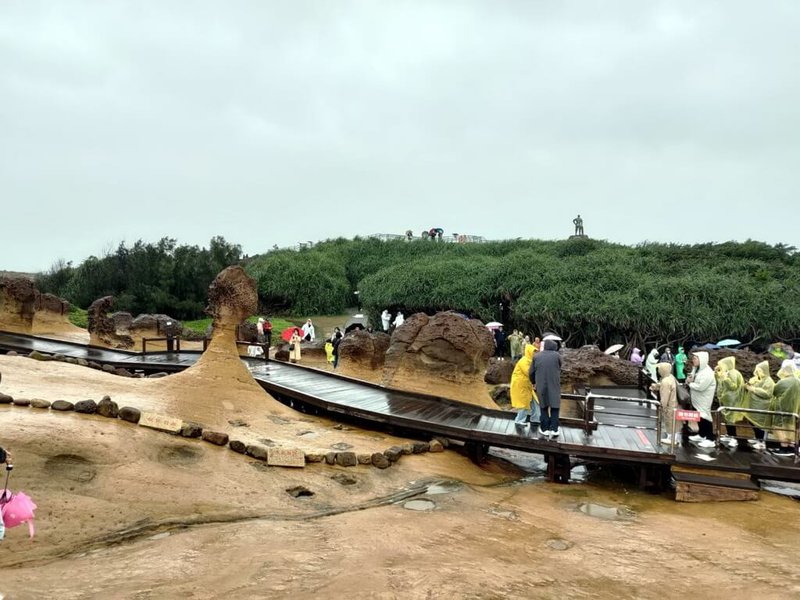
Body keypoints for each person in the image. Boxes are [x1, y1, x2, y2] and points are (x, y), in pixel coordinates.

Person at [529, 339, 562, 437]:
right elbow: (560, 367)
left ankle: (545, 429)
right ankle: (554, 429)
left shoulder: (536, 356)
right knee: (555, 407)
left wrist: (533, 382)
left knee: (543, 407)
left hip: (541, 386)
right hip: (554, 385)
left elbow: (531, 372)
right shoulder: (557, 356)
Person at [742, 361, 775, 451]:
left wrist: (754, 389)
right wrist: (748, 385)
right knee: (752, 422)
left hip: (762, 406)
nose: (757, 372)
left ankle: (761, 442)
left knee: (760, 425)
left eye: (760, 370)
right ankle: (757, 438)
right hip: (753, 405)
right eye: (757, 370)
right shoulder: (757, 379)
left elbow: (767, 394)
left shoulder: (769, 381)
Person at [686, 351, 717, 447]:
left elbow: (700, 387)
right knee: (699, 416)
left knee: (705, 417)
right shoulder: (697, 369)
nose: (693, 360)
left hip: (704, 399)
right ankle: (702, 434)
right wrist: (690, 378)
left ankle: (710, 439)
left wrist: (690, 384)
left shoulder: (708, 372)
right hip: (697, 399)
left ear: (702, 360)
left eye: (695, 358)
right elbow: (691, 379)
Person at [714, 357, 745, 449]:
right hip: (726, 399)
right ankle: (729, 434)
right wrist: (717, 374)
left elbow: (733, 386)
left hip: (732, 399)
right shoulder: (727, 372)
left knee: (731, 419)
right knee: (727, 418)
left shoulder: (733, 373)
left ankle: (734, 437)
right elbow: (720, 382)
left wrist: (725, 379)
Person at [770, 361, 800, 454]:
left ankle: (784, 447)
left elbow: (774, 391)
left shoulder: (783, 381)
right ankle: (791, 447)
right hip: (795, 408)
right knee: (791, 427)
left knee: (778, 427)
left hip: (782, 407)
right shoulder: (798, 381)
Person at [511, 343, 540, 427]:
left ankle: (535, 419)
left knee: (535, 402)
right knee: (523, 404)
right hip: (521, 386)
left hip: (527, 386)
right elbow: (529, 373)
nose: (535, 353)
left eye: (535, 351)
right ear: (529, 352)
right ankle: (519, 421)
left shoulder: (531, 361)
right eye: (533, 351)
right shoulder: (524, 361)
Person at [650, 362, 678, 445]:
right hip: (674, 402)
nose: (658, 371)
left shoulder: (665, 381)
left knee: (669, 420)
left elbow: (665, 397)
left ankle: (672, 438)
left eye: (659, 369)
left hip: (670, 404)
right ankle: (672, 437)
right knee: (673, 421)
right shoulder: (670, 377)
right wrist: (656, 386)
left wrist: (662, 406)